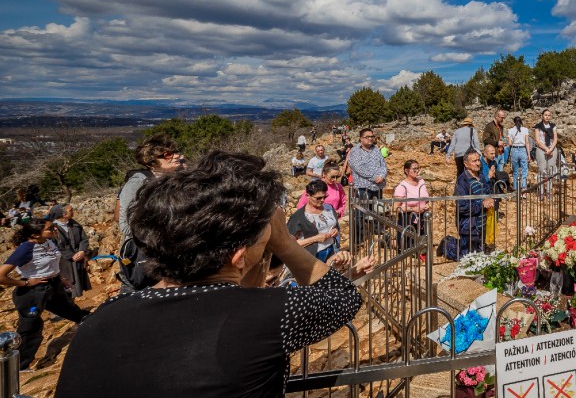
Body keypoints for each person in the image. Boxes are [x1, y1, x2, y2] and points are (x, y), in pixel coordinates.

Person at [55, 151, 374, 397]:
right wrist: (285, 243)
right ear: (238, 254)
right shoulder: (265, 316)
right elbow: (344, 297)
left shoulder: (101, 319)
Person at [0, 219, 91, 370]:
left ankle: (94, 327)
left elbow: (51, 262)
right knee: (30, 329)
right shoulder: (26, 249)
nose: (54, 230)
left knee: (72, 311)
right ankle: (20, 367)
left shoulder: (48, 242)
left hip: (53, 286)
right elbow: (1, 276)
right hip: (32, 292)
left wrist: (60, 278)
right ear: (35, 235)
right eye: (50, 229)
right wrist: (27, 283)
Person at [116, 133, 183, 291]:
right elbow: (125, 226)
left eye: (175, 151)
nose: (175, 156)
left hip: (165, 252)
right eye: (167, 154)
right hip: (142, 254)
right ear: (152, 161)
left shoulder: (173, 180)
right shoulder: (138, 182)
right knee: (134, 296)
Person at [441, 150, 493, 260]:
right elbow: (462, 207)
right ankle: (446, 245)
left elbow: (487, 190)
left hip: (482, 223)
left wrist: (489, 198)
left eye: (478, 160)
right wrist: (482, 205)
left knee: (479, 253)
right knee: (466, 256)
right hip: (469, 225)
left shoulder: (481, 175)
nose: (478, 163)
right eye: (474, 161)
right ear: (465, 164)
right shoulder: (462, 182)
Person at [288, 180, 341, 262]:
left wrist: (335, 230)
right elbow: (290, 243)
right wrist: (315, 239)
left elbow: (335, 225)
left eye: (325, 196)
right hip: (311, 256)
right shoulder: (299, 217)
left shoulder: (329, 208)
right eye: (318, 198)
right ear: (308, 196)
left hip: (331, 250)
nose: (322, 200)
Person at [52, 204, 91, 298]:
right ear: (63, 214)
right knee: (66, 284)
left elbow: (84, 239)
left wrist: (82, 251)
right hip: (63, 262)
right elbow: (54, 245)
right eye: (71, 210)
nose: (73, 212)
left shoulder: (74, 224)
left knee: (76, 282)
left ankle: (72, 307)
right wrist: (71, 255)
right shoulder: (52, 228)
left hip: (77, 259)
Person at [393, 159, 429, 250]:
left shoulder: (421, 181)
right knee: (406, 247)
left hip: (422, 217)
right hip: (408, 219)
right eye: (414, 169)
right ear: (406, 171)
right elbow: (395, 207)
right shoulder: (402, 186)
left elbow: (426, 198)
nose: (417, 171)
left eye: (418, 168)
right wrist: (413, 209)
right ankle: (389, 241)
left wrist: (428, 204)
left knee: (422, 245)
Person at [534, 109, 559, 197]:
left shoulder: (553, 126)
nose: (547, 116)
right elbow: (537, 140)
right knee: (541, 169)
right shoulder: (538, 126)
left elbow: (555, 139)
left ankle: (549, 190)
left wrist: (551, 149)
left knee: (550, 169)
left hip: (552, 148)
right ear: (542, 116)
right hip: (541, 148)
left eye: (549, 115)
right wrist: (546, 149)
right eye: (545, 115)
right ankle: (541, 191)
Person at [507, 116, 531, 193]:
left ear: (514, 122)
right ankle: (524, 188)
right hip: (523, 149)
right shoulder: (525, 130)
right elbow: (527, 142)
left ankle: (516, 188)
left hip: (514, 150)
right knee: (524, 170)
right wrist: (529, 155)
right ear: (521, 121)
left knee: (515, 170)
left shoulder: (510, 130)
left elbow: (510, 143)